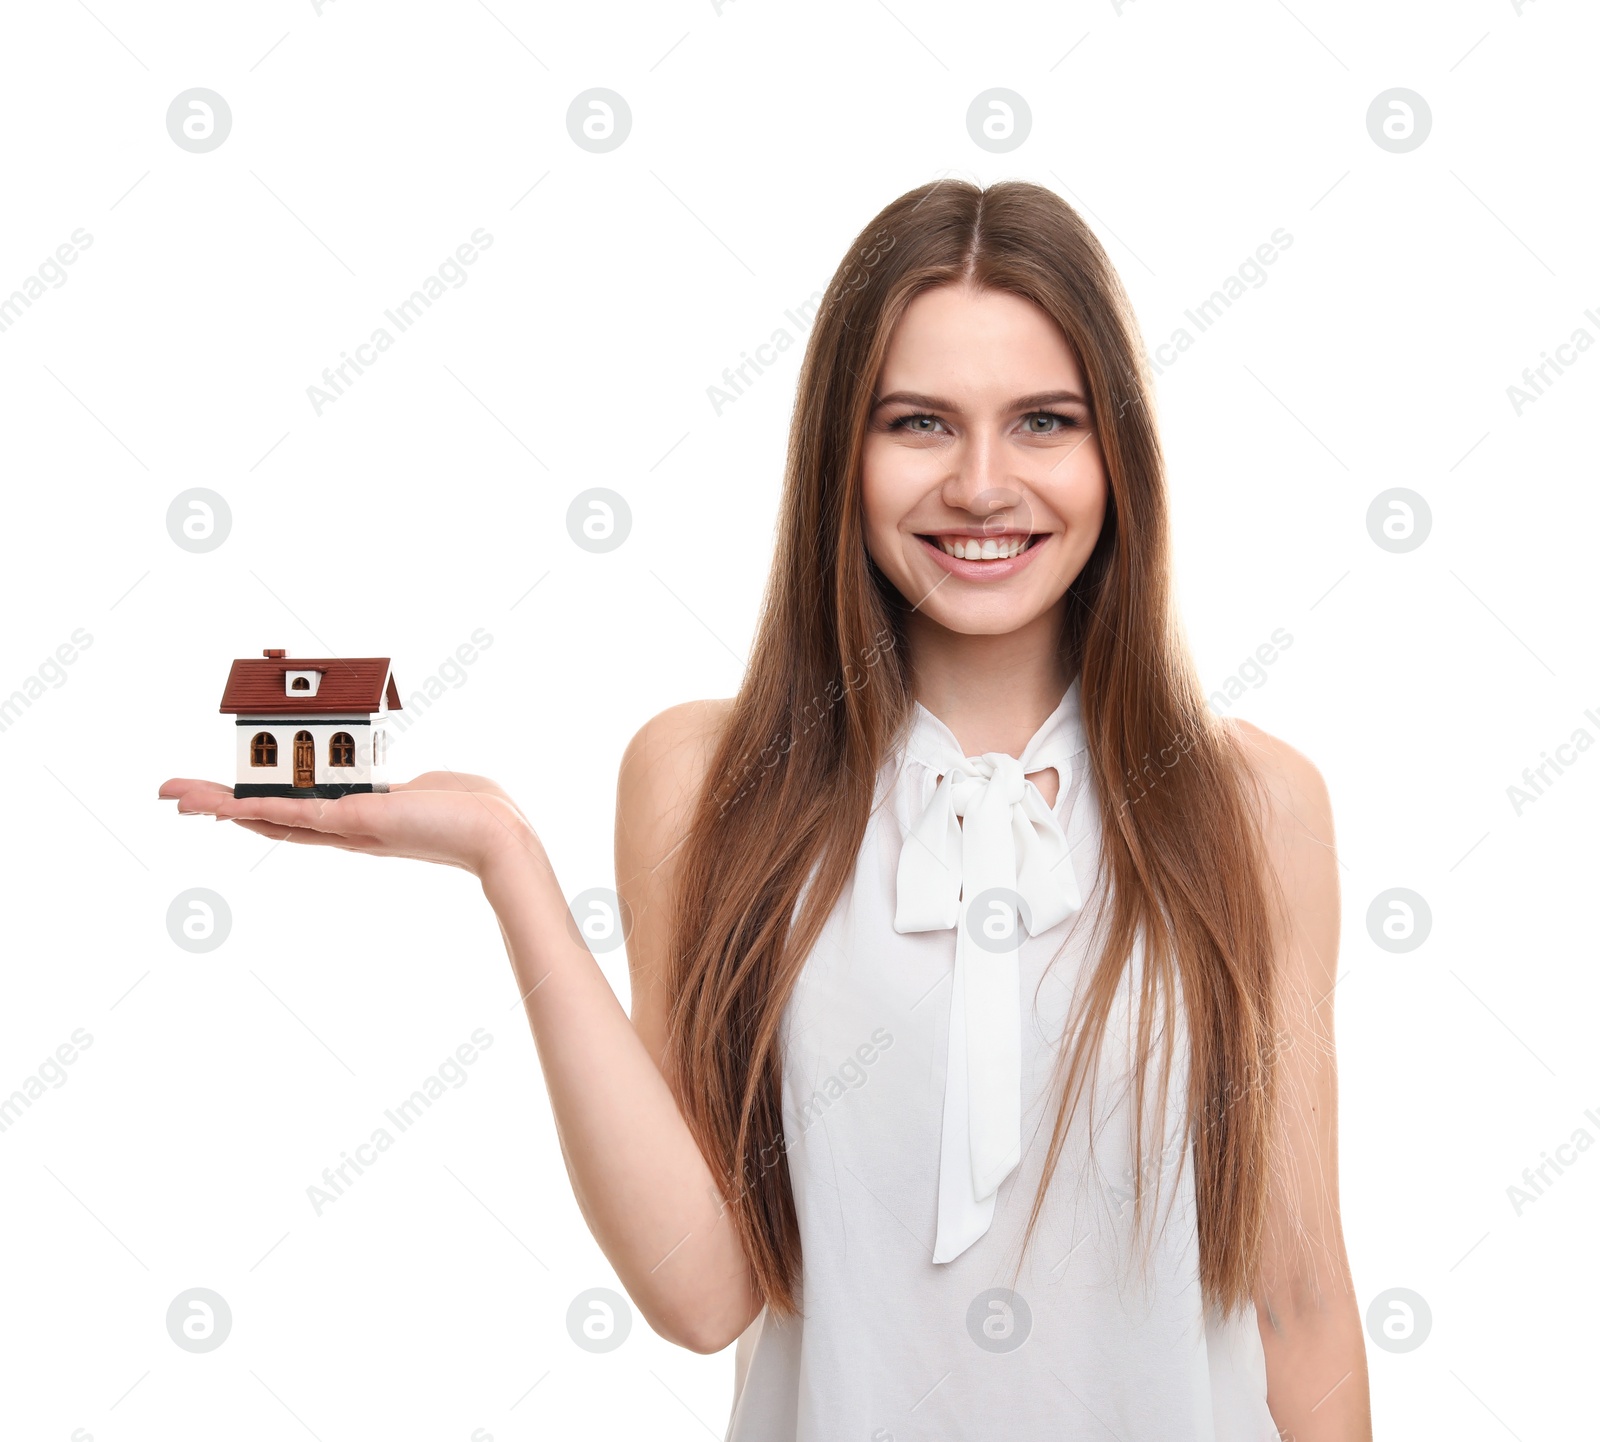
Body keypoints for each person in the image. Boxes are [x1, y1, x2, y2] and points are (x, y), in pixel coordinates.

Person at [161, 179, 1371, 1440]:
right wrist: (506, 860)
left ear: (1116, 452)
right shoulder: (705, 778)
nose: (979, 482)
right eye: (917, 422)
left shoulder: (1250, 805)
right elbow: (701, 1289)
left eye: (1042, 422)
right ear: (838, 453)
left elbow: (1294, 1301)